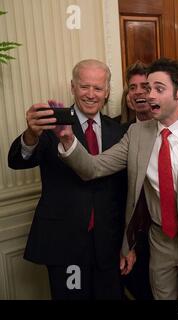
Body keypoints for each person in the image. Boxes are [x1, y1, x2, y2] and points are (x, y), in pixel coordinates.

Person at [55, 58, 178, 300]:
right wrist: (67, 140)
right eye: (148, 88)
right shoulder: (137, 134)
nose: (149, 96)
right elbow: (93, 168)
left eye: (159, 89)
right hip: (160, 242)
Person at [7, 59, 127, 299]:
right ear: (72, 87)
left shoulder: (119, 130)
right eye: (84, 87)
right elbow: (18, 161)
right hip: (65, 244)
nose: (91, 94)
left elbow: (123, 191)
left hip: (108, 245)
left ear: (107, 92)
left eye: (98, 88)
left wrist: (126, 244)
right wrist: (31, 134)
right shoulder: (52, 126)